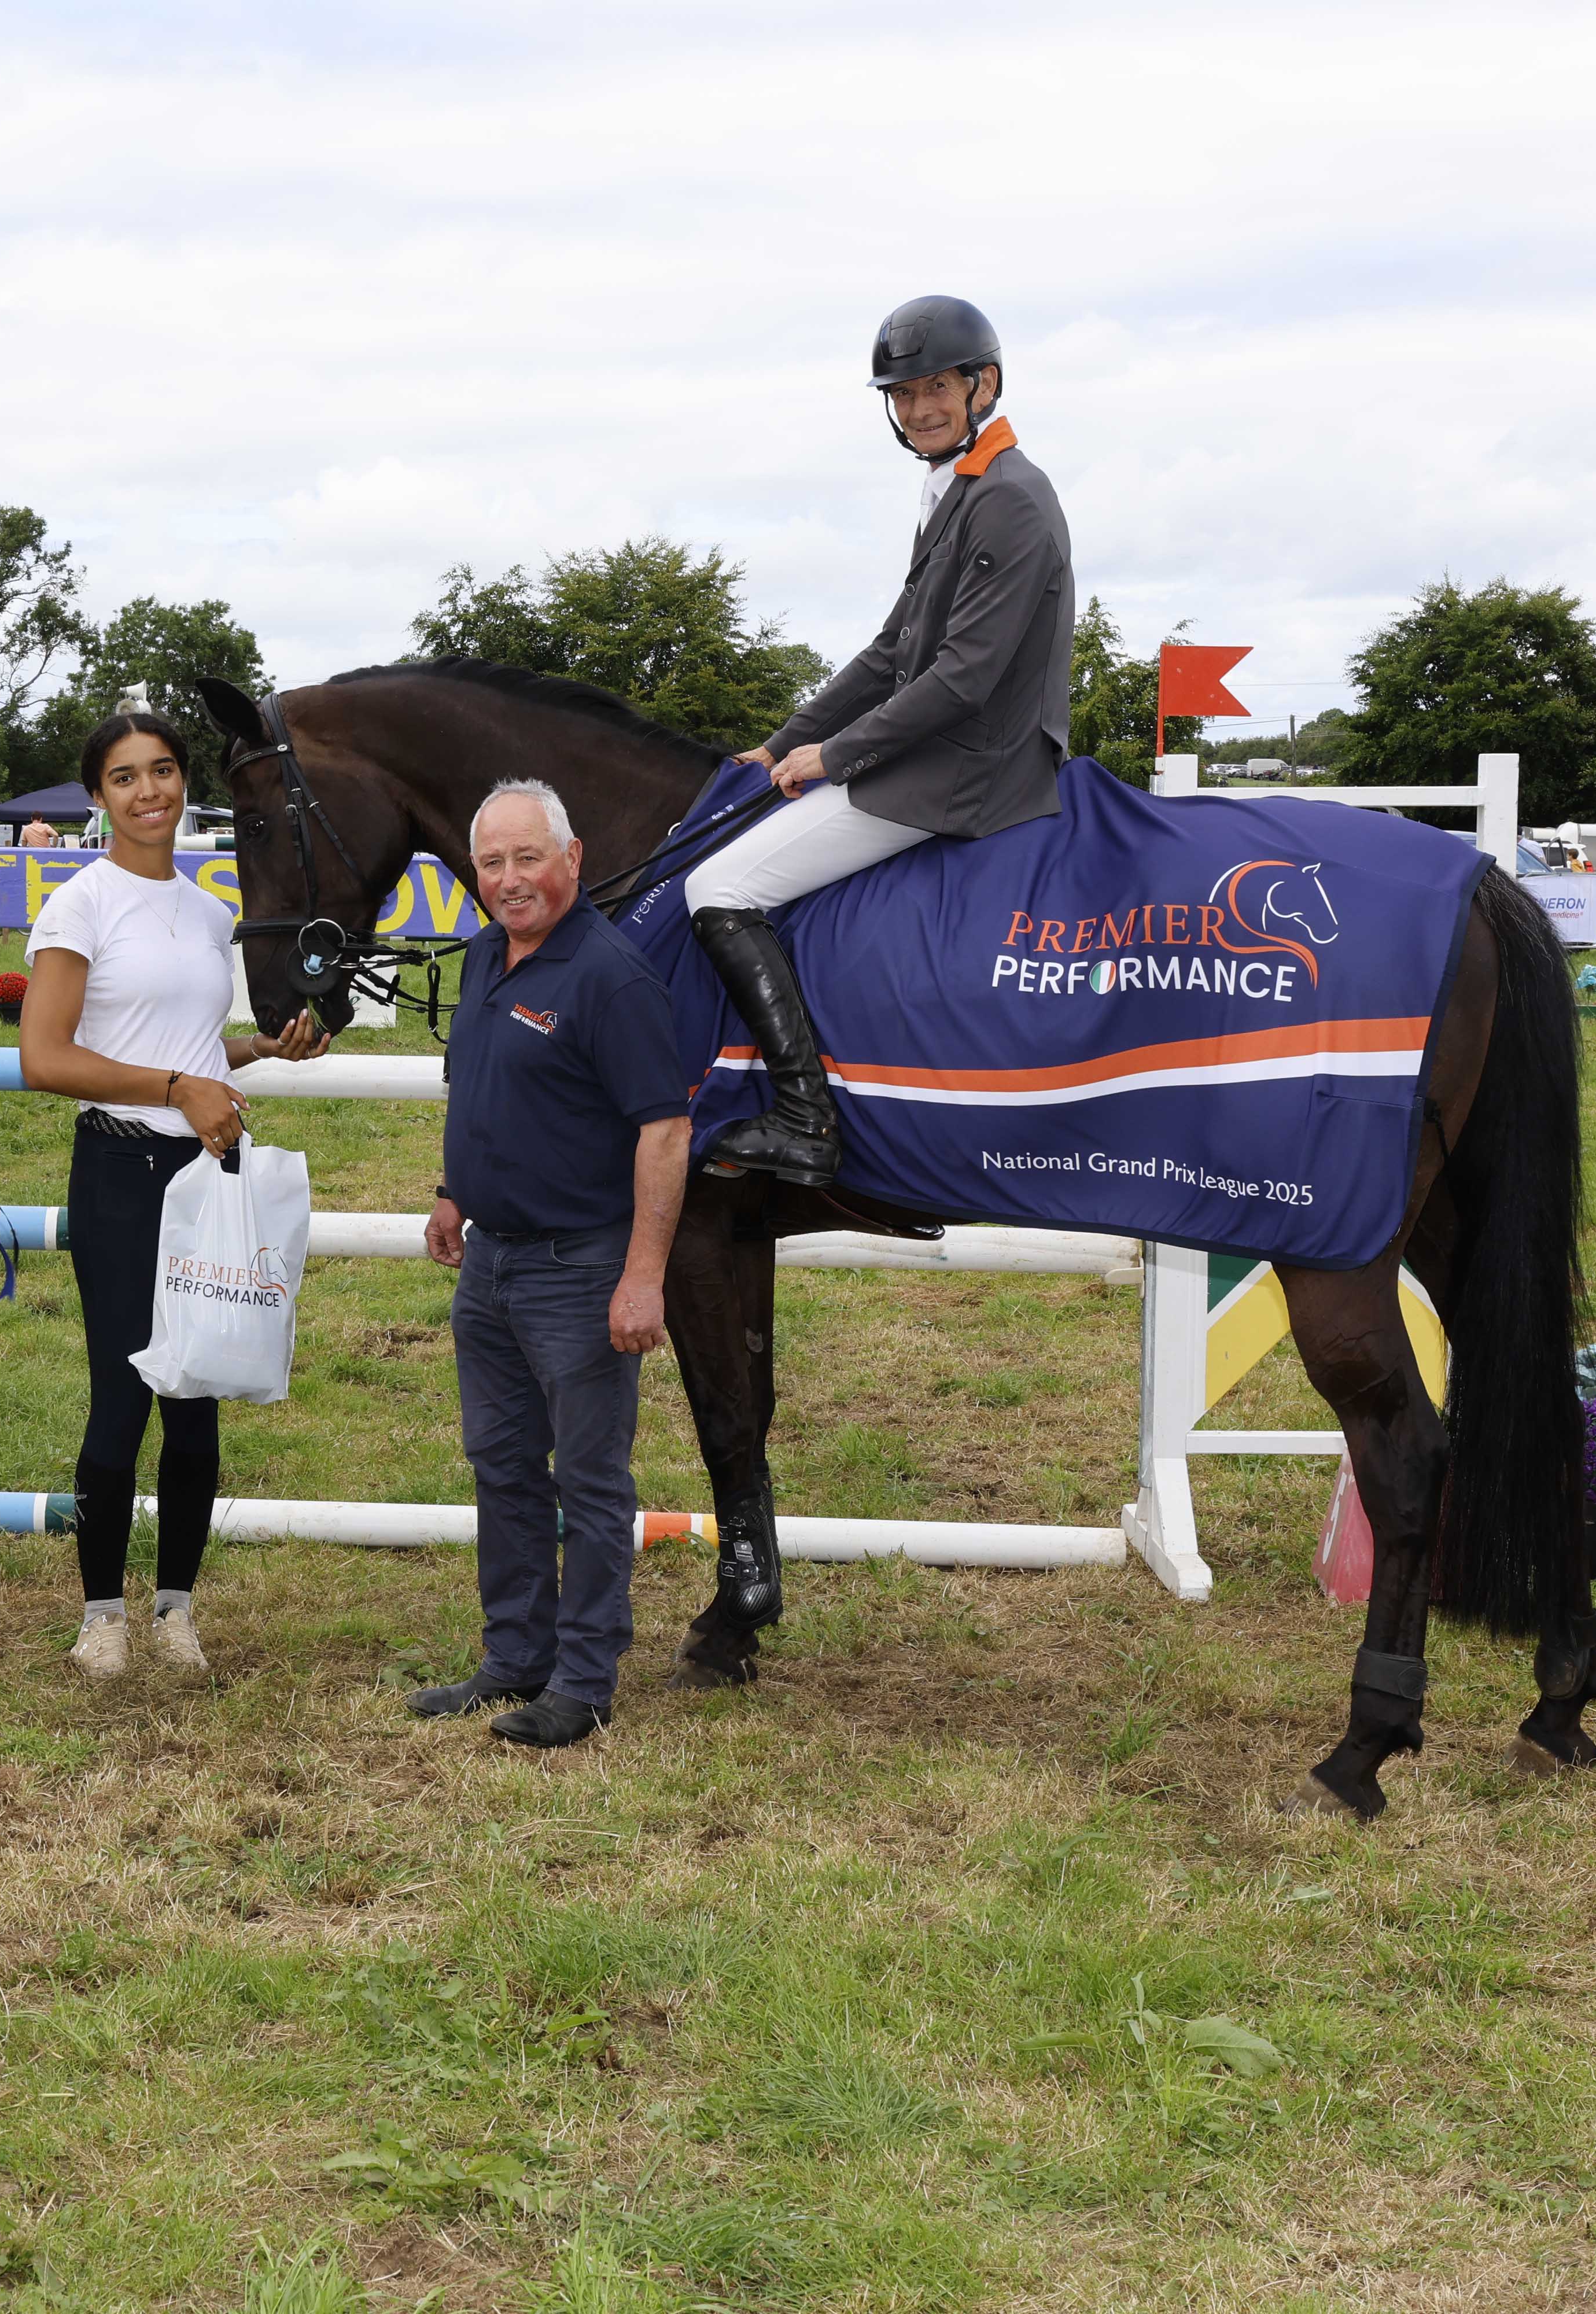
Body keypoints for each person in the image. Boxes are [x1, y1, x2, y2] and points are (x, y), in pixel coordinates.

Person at [679, 293, 1072, 1188]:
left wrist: (836, 756)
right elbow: (894, 650)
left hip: (969, 771)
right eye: (902, 393)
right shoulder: (961, 489)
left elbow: (965, 676)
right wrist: (780, 743)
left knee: (718, 886)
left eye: (936, 388)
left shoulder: (1008, 499)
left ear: (984, 386)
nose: (919, 408)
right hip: (944, 747)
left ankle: (804, 1118)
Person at [17, 710, 323, 1676]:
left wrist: (255, 1049)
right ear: (97, 796)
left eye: (162, 771)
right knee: (123, 1396)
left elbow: (183, 1041)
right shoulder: (79, 906)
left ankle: (176, 1611)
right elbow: (46, 1055)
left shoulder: (208, 911)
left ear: (185, 782)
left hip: (205, 1173)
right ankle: (101, 1616)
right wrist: (176, 1088)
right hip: (119, 1170)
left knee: (199, 1396)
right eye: (124, 777)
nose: (148, 791)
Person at [410, 782, 692, 1748]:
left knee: (589, 1478)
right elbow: (479, 1084)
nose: (509, 879)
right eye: (492, 863)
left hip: (580, 1267)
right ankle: (515, 1656)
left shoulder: (613, 978)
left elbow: (665, 1131)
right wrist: (454, 1189)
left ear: (572, 859)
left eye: (528, 858)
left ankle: (584, 1679)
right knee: (502, 1466)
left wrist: (643, 1275)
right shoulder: (485, 953)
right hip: (490, 1260)